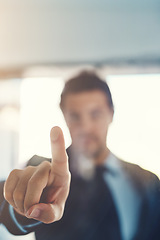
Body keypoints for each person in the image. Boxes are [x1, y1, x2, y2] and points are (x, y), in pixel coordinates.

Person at [0, 71, 160, 240]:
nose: (85, 127)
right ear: (64, 117)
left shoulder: (146, 182)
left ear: (111, 114)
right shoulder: (44, 173)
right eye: (75, 116)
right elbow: (10, 211)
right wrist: (21, 207)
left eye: (95, 114)